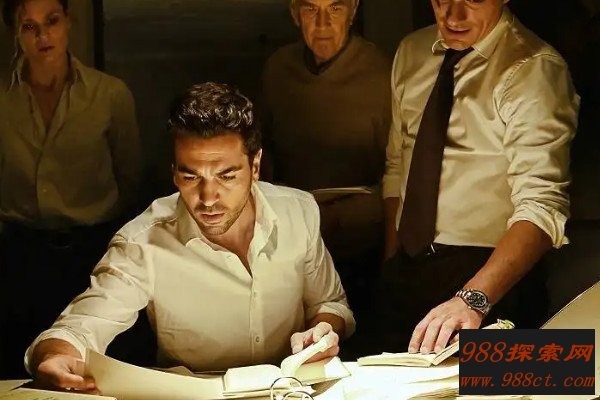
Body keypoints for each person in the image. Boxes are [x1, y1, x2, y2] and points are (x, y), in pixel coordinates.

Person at [25, 82, 355, 393]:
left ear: (255, 165)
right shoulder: (144, 242)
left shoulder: (299, 212)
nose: (208, 198)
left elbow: (329, 303)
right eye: (191, 176)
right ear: (173, 172)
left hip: (290, 391)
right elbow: (81, 325)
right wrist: (55, 356)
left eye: (226, 176)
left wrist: (324, 330)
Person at [380, 0, 579, 355]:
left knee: (525, 379)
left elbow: (543, 206)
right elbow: (397, 166)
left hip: (493, 279)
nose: (454, 16)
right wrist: (392, 261)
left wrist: (474, 299)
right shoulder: (412, 51)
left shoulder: (535, 68)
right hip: (407, 270)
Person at [0, 0, 140, 378]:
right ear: (16, 33)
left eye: (52, 21)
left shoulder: (109, 95)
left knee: (93, 368)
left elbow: (130, 178)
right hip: (19, 254)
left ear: (68, 22)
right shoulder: (4, 99)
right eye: (29, 26)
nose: (43, 35)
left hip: (91, 252)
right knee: (21, 369)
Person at [260, 0, 391, 332]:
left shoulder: (382, 72)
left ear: (353, 11)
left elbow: (399, 166)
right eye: (310, 10)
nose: (322, 24)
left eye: (335, 9)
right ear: (294, 13)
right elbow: (262, 154)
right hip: (294, 231)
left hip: (363, 232)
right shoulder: (278, 69)